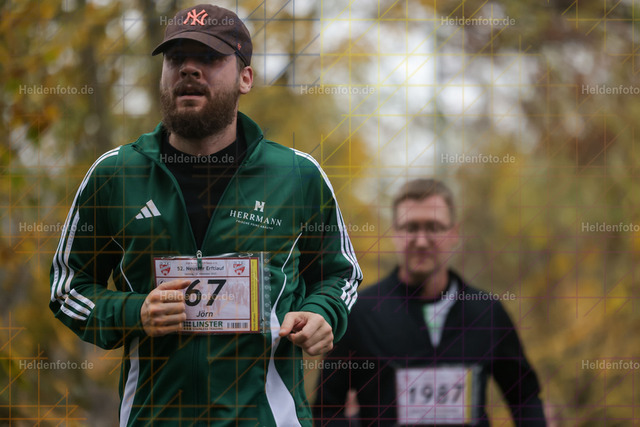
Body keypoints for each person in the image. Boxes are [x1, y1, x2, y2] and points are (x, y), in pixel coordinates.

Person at [49, 4, 362, 425]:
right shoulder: (115, 175)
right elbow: (68, 287)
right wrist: (134, 312)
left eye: (210, 58)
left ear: (245, 78)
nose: (188, 70)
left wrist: (323, 313)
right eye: (176, 59)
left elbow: (340, 275)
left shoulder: (297, 176)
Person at [313, 178, 546, 426]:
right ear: (395, 233)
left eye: (434, 227)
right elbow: (327, 408)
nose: (422, 241)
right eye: (411, 227)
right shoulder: (360, 313)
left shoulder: (487, 312)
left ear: (454, 233)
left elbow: (525, 398)